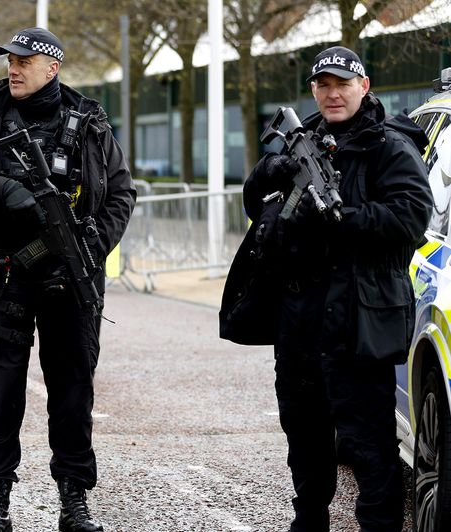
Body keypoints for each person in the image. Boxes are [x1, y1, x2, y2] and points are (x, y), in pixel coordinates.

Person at [0, 28, 135, 532]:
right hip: (4, 275)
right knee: (1, 392)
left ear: (52, 67)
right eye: (10, 61)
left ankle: (74, 500)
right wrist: (4, 191)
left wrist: (89, 246)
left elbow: (121, 194)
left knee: (72, 391)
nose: (14, 69)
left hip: (71, 276)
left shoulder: (88, 120)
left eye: (25, 60)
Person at [223, 46, 432, 531]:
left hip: (359, 319)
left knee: (368, 443)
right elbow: (256, 201)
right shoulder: (303, 138)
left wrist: (338, 222)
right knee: (305, 435)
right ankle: (308, 521)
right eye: (323, 85)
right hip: (301, 317)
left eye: (342, 84)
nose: (332, 94)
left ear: (364, 86)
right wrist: (269, 171)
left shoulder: (389, 146)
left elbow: (410, 217)